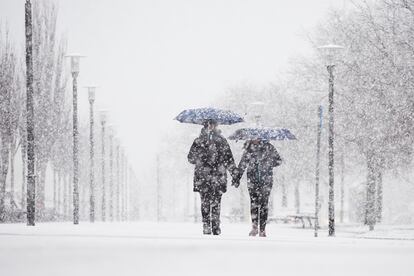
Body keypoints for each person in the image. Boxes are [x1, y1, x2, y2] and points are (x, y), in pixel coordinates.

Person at [188, 120, 237, 235]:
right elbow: (190, 158)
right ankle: (206, 225)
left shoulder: (221, 141)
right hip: (203, 177)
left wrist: (235, 174)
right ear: (205, 126)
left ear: (215, 126)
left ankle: (215, 225)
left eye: (212, 124)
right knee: (205, 202)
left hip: (217, 176)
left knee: (216, 202)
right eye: (208, 124)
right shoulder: (198, 141)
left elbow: (229, 159)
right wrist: (201, 157)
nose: (210, 126)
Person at [233, 140, 282, 237]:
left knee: (264, 204)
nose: (255, 139)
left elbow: (278, 161)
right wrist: (237, 178)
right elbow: (242, 164)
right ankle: (254, 227)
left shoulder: (269, 147)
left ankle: (262, 229)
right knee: (254, 204)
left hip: (266, 180)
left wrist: (267, 161)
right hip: (252, 180)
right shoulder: (249, 149)